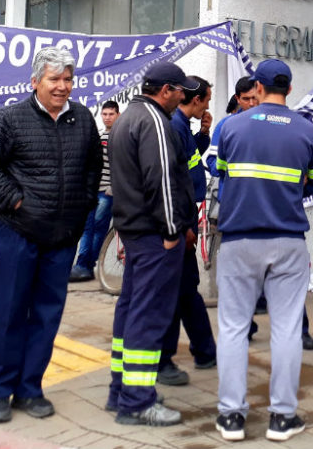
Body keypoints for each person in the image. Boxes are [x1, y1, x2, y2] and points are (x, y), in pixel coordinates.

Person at [0, 47, 103, 424]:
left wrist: (84, 205)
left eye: (67, 79)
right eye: (54, 79)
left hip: (62, 237)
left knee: (46, 317)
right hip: (19, 234)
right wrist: (15, 203)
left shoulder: (82, 118)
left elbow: (94, 164)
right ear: (35, 82)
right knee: (10, 315)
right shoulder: (11, 118)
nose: (62, 87)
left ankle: (30, 388)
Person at [213, 59, 313, 442]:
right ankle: (282, 417)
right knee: (288, 329)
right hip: (289, 239)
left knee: (232, 328)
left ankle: (231, 417)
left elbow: (221, 172)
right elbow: (312, 184)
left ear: (256, 87)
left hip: (240, 239)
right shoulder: (308, 131)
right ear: (289, 89)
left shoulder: (232, 126)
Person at [106, 62, 200, 427]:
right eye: (180, 90)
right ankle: (137, 401)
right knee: (149, 316)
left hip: (135, 231)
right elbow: (161, 181)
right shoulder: (155, 123)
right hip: (154, 236)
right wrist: (173, 231)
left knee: (130, 310)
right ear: (165, 91)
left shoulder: (127, 118)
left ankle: (121, 390)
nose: (184, 96)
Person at [159, 75, 217, 384]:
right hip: (179, 224)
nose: (207, 106)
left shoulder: (182, 128)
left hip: (185, 221)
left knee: (185, 290)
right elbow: (174, 183)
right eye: (206, 100)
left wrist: (204, 132)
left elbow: (192, 160)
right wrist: (183, 226)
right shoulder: (173, 128)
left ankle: (205, 350)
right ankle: (168, 358)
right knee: (178, 291)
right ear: (194, 100)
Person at [70, 100, 120, 282]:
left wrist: (112, 188)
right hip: (92, 190)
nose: (107, 118)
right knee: (87, 229)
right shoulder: (99, 136)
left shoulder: (118, 137)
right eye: (104, 114)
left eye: (111, 114)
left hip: (106, 192)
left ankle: (85, 265)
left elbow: (121, 165)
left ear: (118, 115)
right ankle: (84, 265)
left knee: (97, 229)